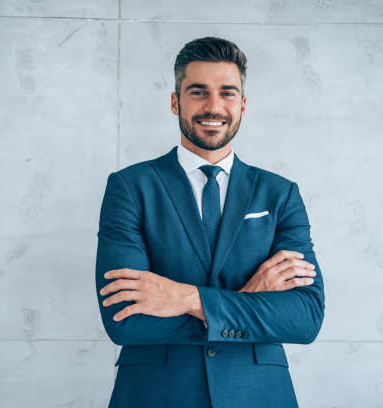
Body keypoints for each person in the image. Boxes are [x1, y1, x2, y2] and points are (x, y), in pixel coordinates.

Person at [95, 36, 325, 408]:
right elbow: (125, 319)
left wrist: (183, 298)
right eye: (198, 92)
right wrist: (250, 298)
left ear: (243, 105)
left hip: (258, 394)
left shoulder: (279, 194)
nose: (213, 106)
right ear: (175, 102)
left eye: (227, 93)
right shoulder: (130, 187)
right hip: (155, 394)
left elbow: (304, 317)